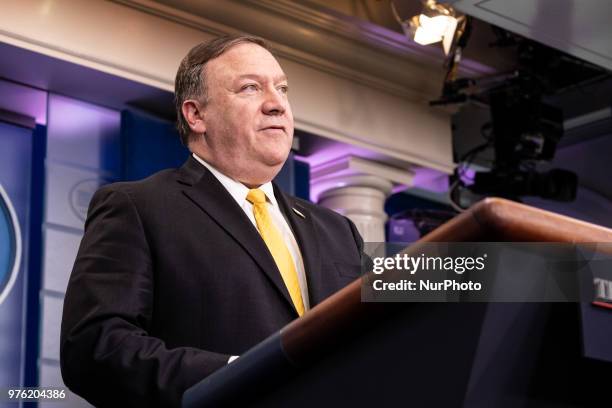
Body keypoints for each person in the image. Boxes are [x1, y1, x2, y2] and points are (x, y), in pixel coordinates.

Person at [60, 35, 364, 407]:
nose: (276, 105)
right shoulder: (137, 207)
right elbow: (95, 347)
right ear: (196, 115)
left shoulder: (338, 230)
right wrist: (237, 376)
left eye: (282, 88)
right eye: (250, 88)